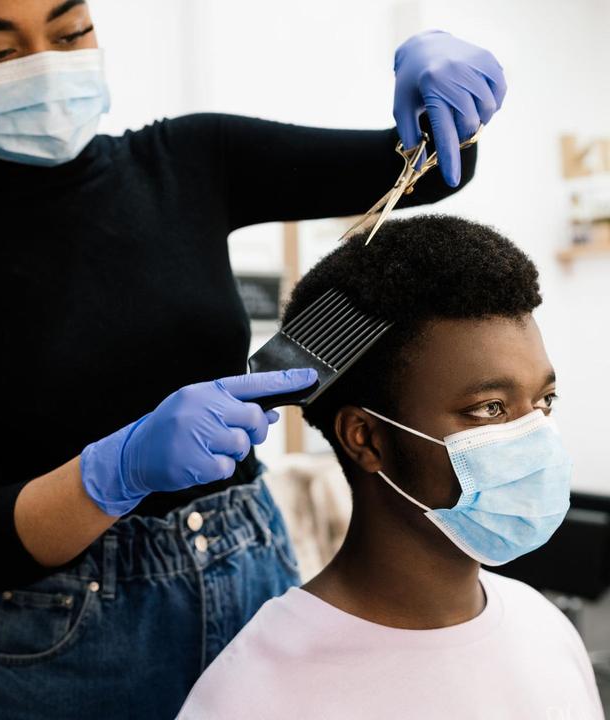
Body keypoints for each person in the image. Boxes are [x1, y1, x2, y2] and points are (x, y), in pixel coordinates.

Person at [0, 0, 506, 717]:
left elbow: (430, 172)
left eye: (70, 33)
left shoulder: (191, 159)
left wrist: (439, 85)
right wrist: (115, 471)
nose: (45, 67)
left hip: (252, 575)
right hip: (68, 633)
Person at [177, 215, 605, 720]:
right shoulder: (254, 693)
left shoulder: (544, 626)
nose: (535, 435)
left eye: (545, 399)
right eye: (491, 407)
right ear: (366, 438)